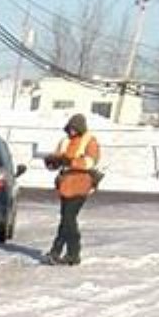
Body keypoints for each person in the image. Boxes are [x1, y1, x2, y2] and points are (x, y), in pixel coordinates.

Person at [40, 113, 102, 263]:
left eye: (75, 128)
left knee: (68, 218)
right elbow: (57, 160)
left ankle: (73, 252)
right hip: (65, 185)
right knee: (66, 219)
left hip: (81, 184)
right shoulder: (64, 141)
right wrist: (52, 161)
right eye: (70, 128)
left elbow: (90, 162)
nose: (72, 131)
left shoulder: (90, 141)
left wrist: (70, 161)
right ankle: (57, 252)